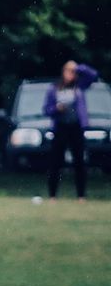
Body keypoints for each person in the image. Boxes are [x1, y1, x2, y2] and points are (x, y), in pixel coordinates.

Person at [43, 60, 98, 201]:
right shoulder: (54, 88)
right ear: (63, 71)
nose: (70, 74)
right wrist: (57, 108)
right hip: (60, 127)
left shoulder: (80, 86)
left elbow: (94, 75)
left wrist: (78, 68)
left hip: (76, 127)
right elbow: (46, 110)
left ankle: (81, 195)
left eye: (73, 71)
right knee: (56, 162)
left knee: (79, 161)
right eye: (68, 70)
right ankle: (52, 195)